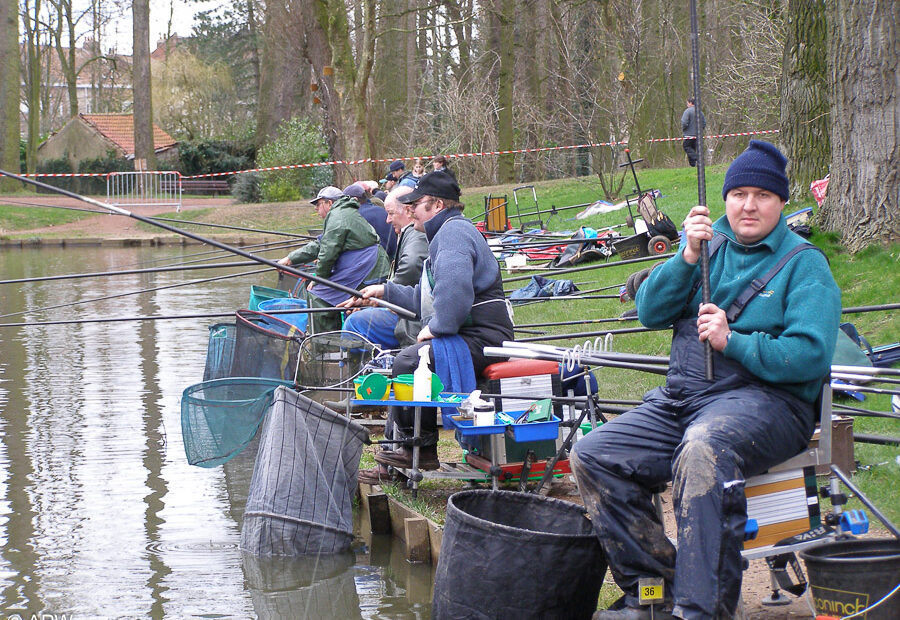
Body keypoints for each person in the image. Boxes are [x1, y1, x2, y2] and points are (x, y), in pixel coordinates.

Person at [571, 141, 840, 620]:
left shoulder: (805, 265)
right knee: (595, 454)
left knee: (702, 451)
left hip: (770, 404)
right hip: (686, 399)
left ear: (780, 202)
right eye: (739, 193)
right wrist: (686, 258)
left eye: (762, 195)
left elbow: (811, 355)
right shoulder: (705, 245)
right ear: (725, 199)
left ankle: (702, 610)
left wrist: (733, 342)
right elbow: (650, 311)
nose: (749, 205)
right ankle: (654, 587)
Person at [341, 172, 514, 473]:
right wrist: (383, 293)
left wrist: (436, 328)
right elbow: (425, 296)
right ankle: (400, 452)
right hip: (472, 334)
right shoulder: (445, 233)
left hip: (484, 337)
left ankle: (418, 449)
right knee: (407, 360)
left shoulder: (452, 234)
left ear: (435, 204)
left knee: (409, 362)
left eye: (415, 204)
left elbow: (456, 291)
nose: (410, 211)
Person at [277, 185, 390, 332]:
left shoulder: (338, 216)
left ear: (329, 203)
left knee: (318, 296)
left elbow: (327, 252)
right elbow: (321, 244)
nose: (315, 209)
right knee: (321, 289)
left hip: (368, 268)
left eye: (318, 204)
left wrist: (319, 278)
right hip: (366, 264)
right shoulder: (341, 213)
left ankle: (325, 343)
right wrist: (291, 258)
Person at [342, 185, 428, 350]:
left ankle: (357, 370)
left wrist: (387, 294)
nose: (387, 220)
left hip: (413, 320)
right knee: (357, 316)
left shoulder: (416, 234)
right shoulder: (410, 232)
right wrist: (378, 298)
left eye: (390, 213)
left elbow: (412, 265)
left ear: (408, 211)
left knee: (354, 323)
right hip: (411, 309)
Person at [344, 182, 397, 256]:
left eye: (344, 201)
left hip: (373, 262)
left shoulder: (357, 217)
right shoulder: (382, 211)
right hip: (392, 258)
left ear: (354, 200)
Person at [681, 97, 706, 167]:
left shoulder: (687, 111)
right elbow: (704, 123)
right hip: (698, 135)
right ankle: (692, 165)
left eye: (687, 103)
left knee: (686, 147)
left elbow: (684, 122)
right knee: (693, 149)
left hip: (689, 134)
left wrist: (684, 129)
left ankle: (697, 159)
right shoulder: (700, 112)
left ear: (690, 103)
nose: (687, 105)